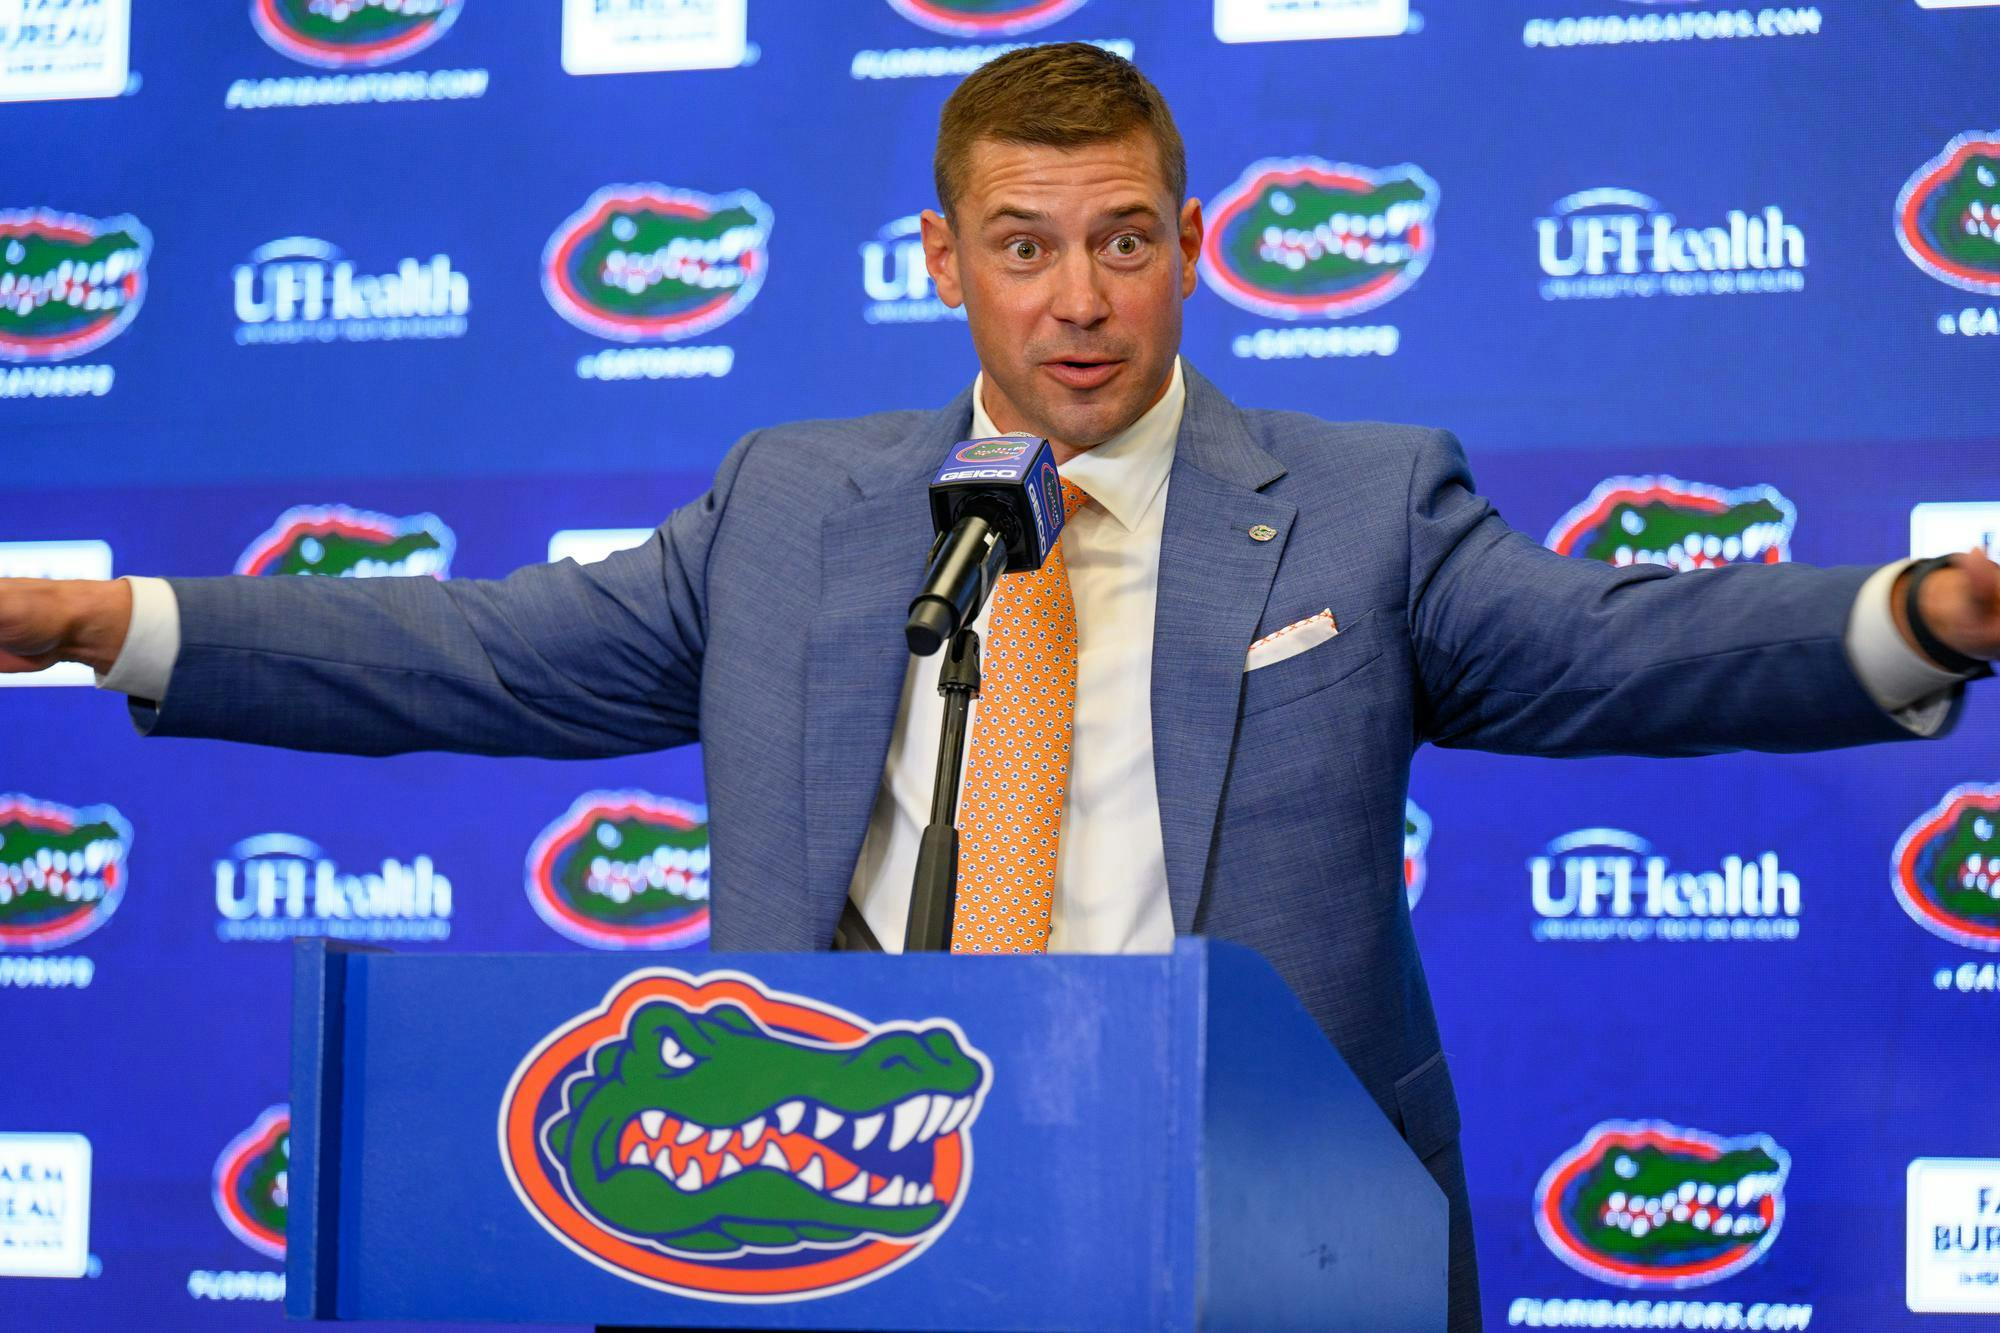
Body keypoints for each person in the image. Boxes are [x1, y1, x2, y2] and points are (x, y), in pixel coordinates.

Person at [1, 43, 1994, 1330]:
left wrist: (1921, 608)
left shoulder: (1359, 509)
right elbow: (495, 647)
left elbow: (1604, 644)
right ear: (940, 257)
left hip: (1253, 1233)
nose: (1078, 300)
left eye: (1123, 241)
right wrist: (122, 626)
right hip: (843, 1218)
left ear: (1195, 245)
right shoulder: (794, 505)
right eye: (1024, 247)